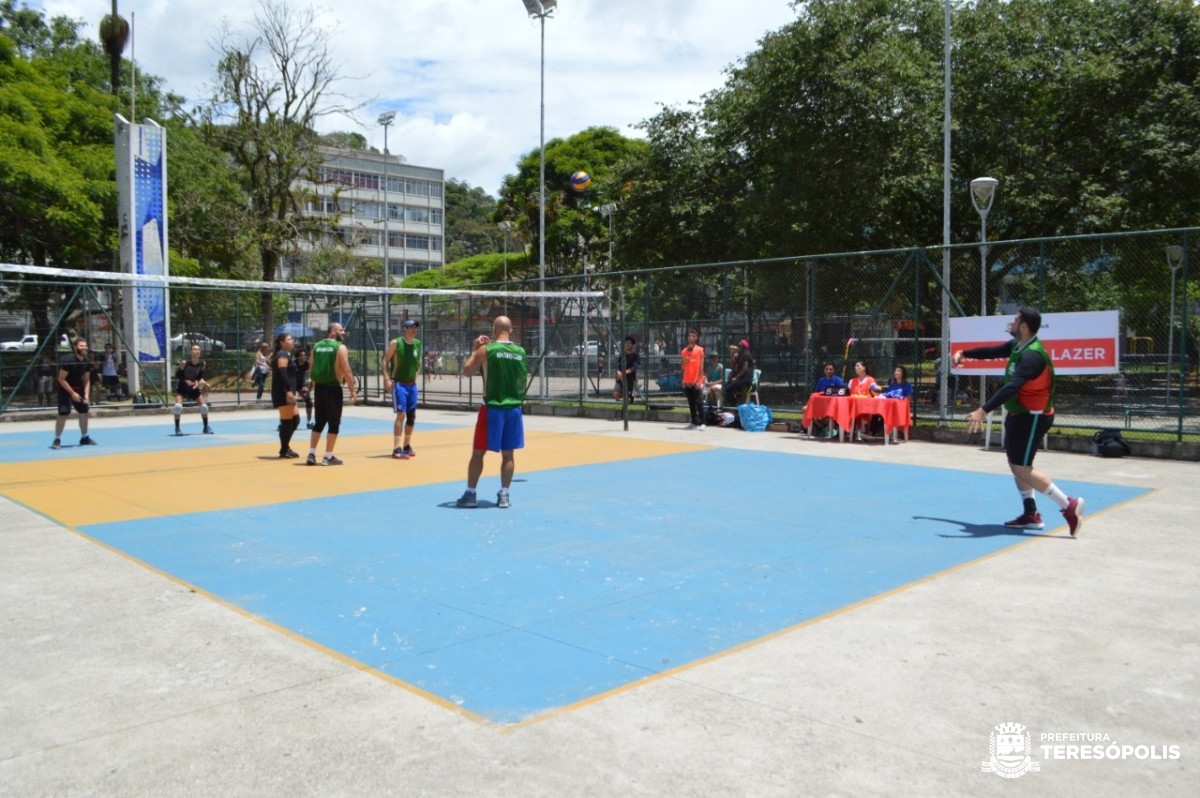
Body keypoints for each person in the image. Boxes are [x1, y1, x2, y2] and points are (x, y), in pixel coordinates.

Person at [954, 307, 1084, 536]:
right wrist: (964, 353)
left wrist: (983, 410)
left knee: (1022, 468)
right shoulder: (1018, 345)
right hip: (1019, 413)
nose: (1011, 323)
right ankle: (1031, 513)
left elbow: (1012, 386)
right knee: (1017, 465)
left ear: (1023, 326)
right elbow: (992, 351)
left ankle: (1068, 505)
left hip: (1033, 416)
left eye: (1015, 320)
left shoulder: (1032, 356)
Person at [457, 316, 526, 509]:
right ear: (511, 330)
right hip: (513, 409)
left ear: (494, 329)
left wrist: (476, 349)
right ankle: (504, 495)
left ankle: (470, 494)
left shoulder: (487, 350)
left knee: (478, 452)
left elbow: (467, 371)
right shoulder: (520, 352)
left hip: (492, 408)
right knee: (508, 455)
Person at [306, 322, 357, 466]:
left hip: (319, 388)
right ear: (333, 331)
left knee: (319, 422)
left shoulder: (317, 346)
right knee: (334, 423)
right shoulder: (340, 347)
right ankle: (328, 456)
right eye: (341, 330)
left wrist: (314, 384)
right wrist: (353, 390)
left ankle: (311, 453)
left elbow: (311, 368)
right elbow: (346, 370)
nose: (343, 332)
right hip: (333, 389)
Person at [382, 319, 422, 460]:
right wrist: (387, 379)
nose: (414, 329)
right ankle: (396, 448)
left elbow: (418, 362)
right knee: (401, 414)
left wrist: (416, 373)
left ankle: (407, 445)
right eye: (411, 327)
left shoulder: (418, 344)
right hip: (399, 384)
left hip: (412, 385)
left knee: (412, 416)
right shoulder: (396, 343)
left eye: (415, 327)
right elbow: (385, 360)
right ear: (405, 328)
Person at [51, 338, 96, 449]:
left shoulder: (86, 361)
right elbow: (61, 379)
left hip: (79, 388)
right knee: (63, 414)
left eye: (85, 346)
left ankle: (84, 437)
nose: (84, 348)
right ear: (75, 347)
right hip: (65, 389)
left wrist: (86, 395)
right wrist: (72, 393)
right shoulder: (68, 360)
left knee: (84, 412)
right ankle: (57, 439)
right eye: (81, 346)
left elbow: (87, 380)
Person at [269, 333, 301, 458]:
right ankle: (284, 450)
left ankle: (285, 447)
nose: (292, 341)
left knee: (295, 419)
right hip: (282, 392)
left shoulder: (286, 354)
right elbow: (282, 373)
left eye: (292, 339)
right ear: (282, 342)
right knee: (287, 421)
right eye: (289, 339)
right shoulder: (282, 354)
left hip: (287, 392)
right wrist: (288, 391)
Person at [173, 344, 213, 436]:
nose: (197, 351)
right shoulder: (185, 363)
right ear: (190, 351)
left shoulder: (202, 364)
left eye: (198, 349)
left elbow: (199, 376)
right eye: (195, 349)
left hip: (193, 388)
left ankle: (206, 427)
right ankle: (177, 428)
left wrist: (196, 382)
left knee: (204, 407)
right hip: (182, 387)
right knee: (178, 407)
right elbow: (178, 375)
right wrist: (186, 381)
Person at [680, 329, 706, 430]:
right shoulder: (684, 351)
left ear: (696, 338)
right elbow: (682, 367)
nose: (691, 337)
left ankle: (703, 422)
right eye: (689, 336)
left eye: (693, 336)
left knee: (698, 402)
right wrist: (684, 361)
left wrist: (700, 380)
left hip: (696, 381)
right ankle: (694, 422)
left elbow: (701, 367)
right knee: (691, 403)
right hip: (687, 380)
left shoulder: (700, 350)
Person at [811, 362, 845, 437]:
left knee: (829, 413)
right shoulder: (821, 380)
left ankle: (826, 429)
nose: (828, 371)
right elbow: (816, 393)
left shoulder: (838, 380)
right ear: (824, 370)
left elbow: (842, 392)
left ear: (834, 370)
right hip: (821, 405)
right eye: (826, 369)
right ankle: (821, 428)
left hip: (833, 406)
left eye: (830, 369)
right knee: (805, 409)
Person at [882, 365, 914, 441]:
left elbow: (908, 399)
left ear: (903, 374)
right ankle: (871, 433)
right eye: (895, 371)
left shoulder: (907, 385)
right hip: (889, 407)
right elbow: (887, 395)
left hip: (900, 409)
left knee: (888, 415)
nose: (896, 372)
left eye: (898, 371)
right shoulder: (892, 385)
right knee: (879, 414)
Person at [726, 339, 755, 405]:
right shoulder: (739, 355)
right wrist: (732, 356)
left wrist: (736, 377)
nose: (738, 347)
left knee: (728, 388)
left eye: (739, 346)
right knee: (727, 386)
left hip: (746, 379)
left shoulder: (746, 354)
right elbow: (732, 366)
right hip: (740, 379)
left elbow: (745, 368)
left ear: (743, 347)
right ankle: (732, 405)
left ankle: (733, 406)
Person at [615, 336, 641, 401]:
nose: (627, 345)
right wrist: (618, 372)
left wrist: (625, 372)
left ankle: (630, 397)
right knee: (616, 394)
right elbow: (618, 366)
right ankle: (624, 397)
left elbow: (635, 367)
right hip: (621, 378)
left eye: (629, 343)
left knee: (630, 396)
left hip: (630, 378)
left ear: (632, 345)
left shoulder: (635, 355)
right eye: (626, 343)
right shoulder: (622, 355)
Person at [294, 347, 314, 428]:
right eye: (301, 355)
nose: (304, 357)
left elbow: (310, 378)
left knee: (309, 401)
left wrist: (307, 389)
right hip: (292, 384)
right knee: (288, 403)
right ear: (298, 357)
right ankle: (284, 422)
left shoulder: (307, 365)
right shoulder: (293, 364)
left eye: (305, 355)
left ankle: (309, 422)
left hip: (302, 385)